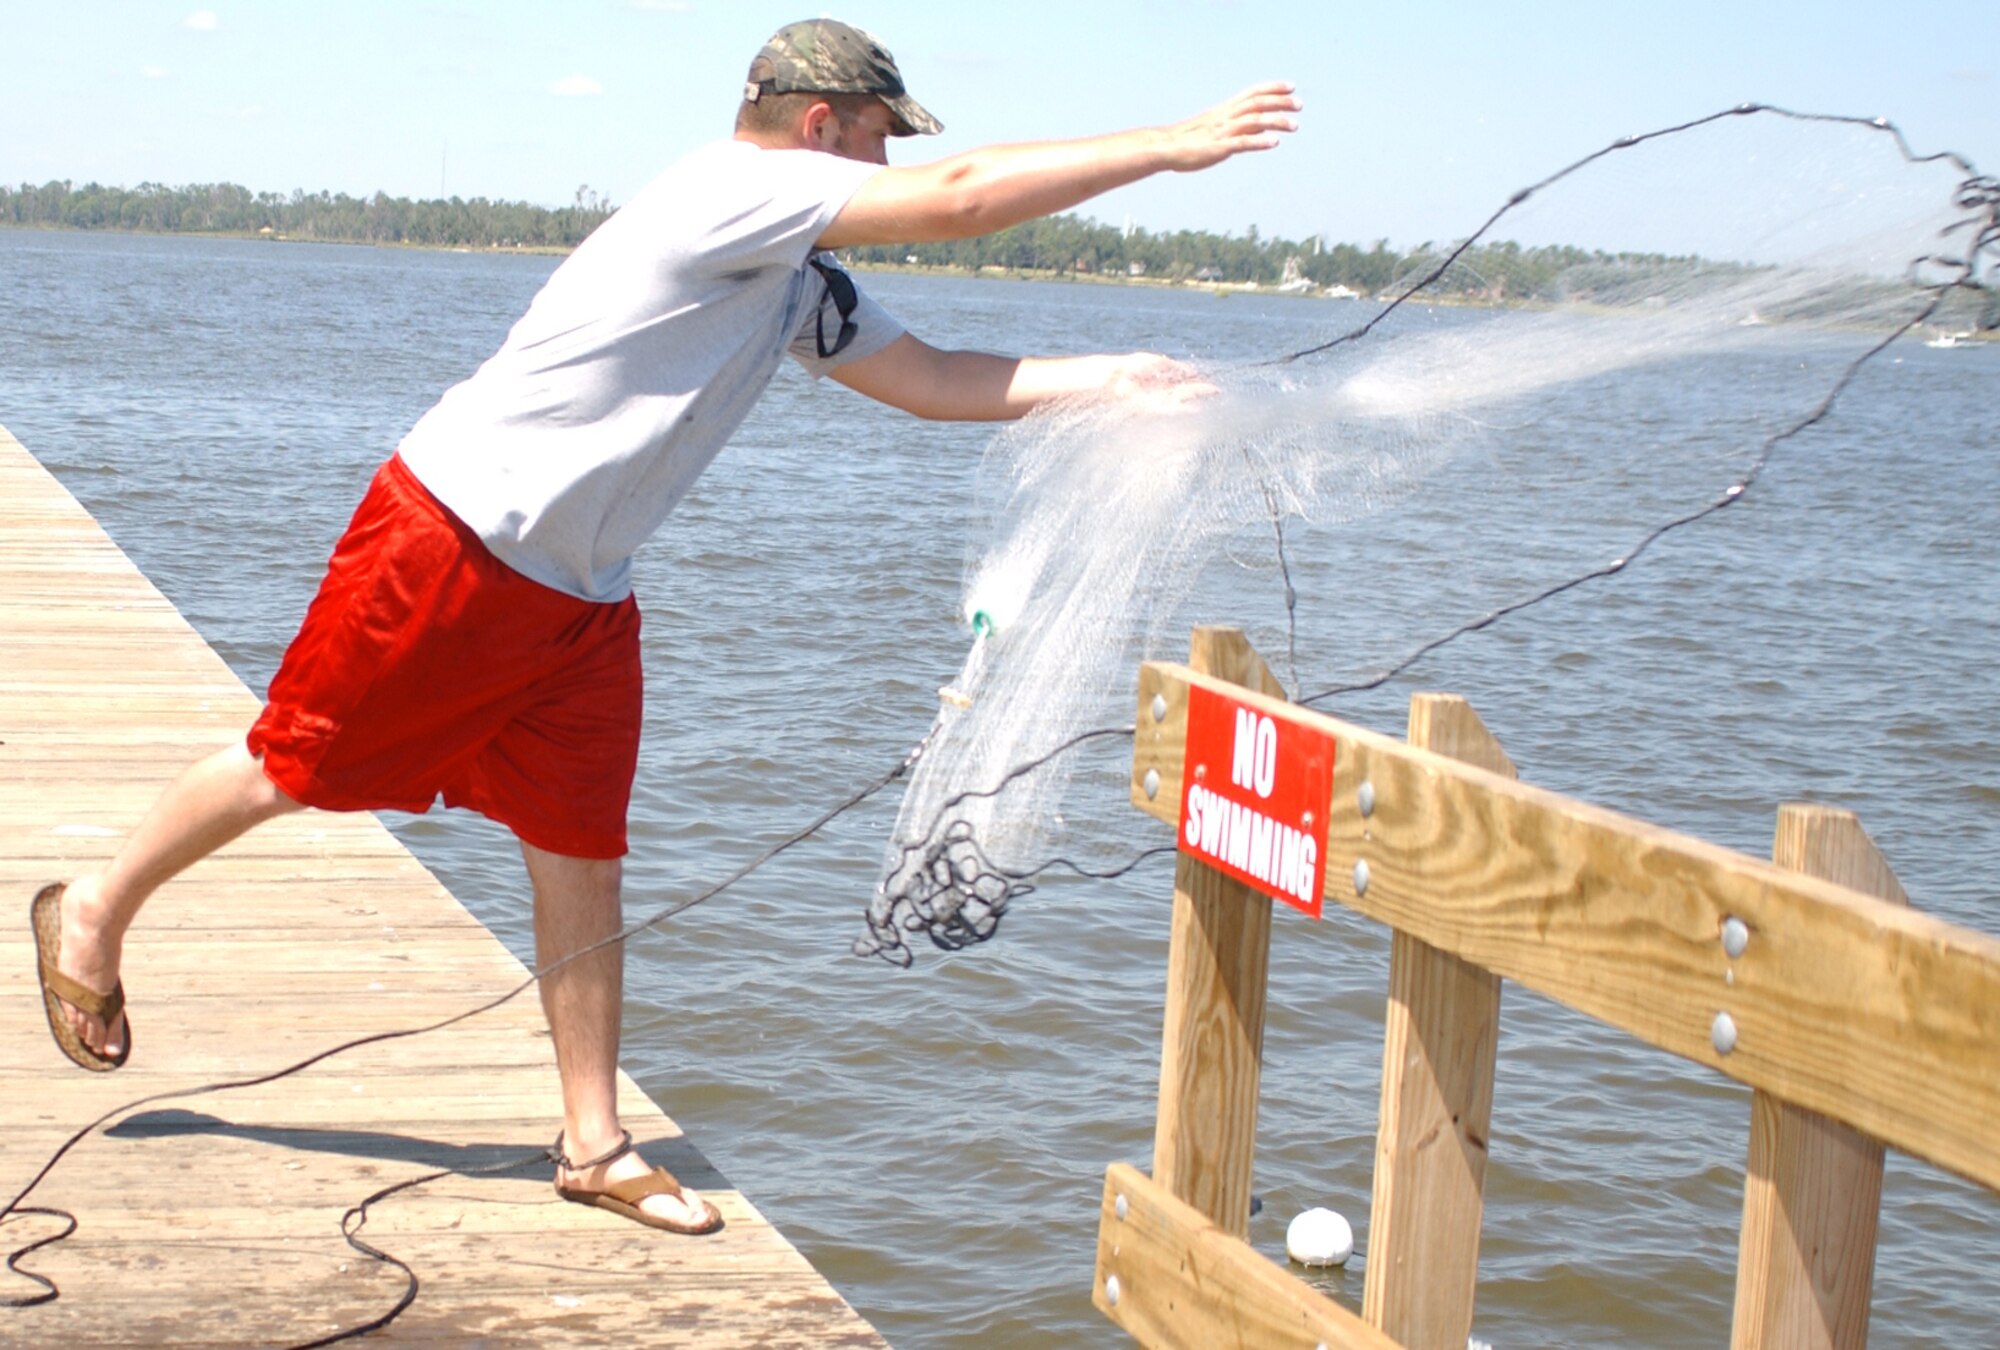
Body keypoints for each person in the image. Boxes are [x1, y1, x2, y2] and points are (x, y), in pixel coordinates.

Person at [31, 18, 1300, 1234]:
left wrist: (1116, 380)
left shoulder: (790, 277)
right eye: (876, 140)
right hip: (455, 537)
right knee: (295, 765)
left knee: (580, 846)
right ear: (819, 125)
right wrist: (1170, 142)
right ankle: (93, 906)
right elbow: (966, 195)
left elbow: (932, 384)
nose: (888, 169)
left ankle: (591, 1143)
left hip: (580, 597)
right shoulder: (722, 195)